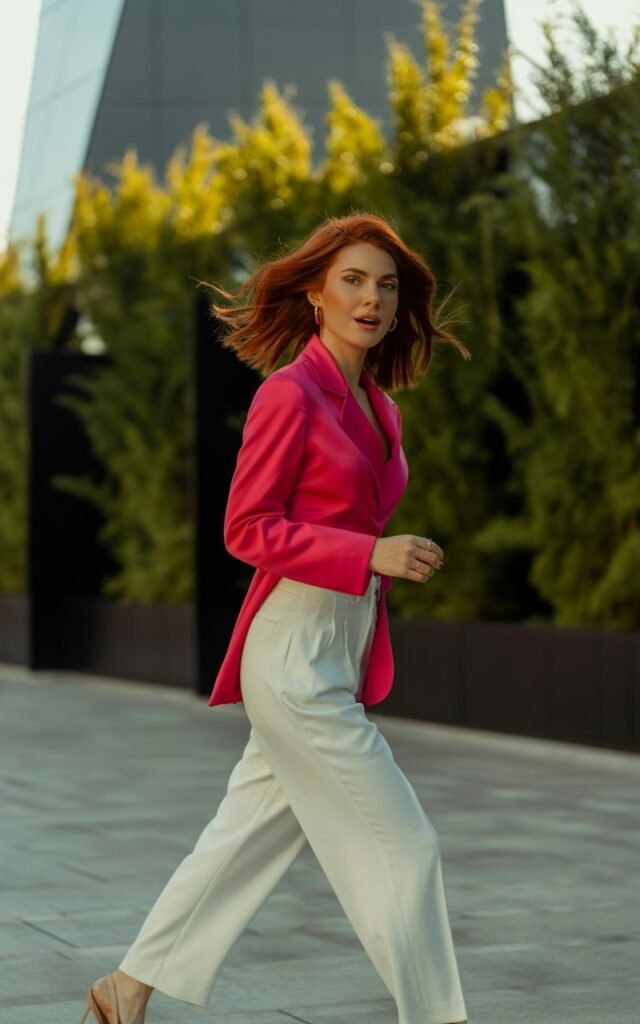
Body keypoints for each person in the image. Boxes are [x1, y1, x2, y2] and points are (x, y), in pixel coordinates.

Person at [80, 212, 472, 1024]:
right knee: (407, 845)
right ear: (316, 295)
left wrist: (375, 564)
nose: (372, 298)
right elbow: (246, 528)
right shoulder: (288, 394)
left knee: (244, 838)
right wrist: (369, 555)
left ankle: (125, 991)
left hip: (337, 643)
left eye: (387, 285)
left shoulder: (378, 406)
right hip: (295, 651)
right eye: (354, 281)